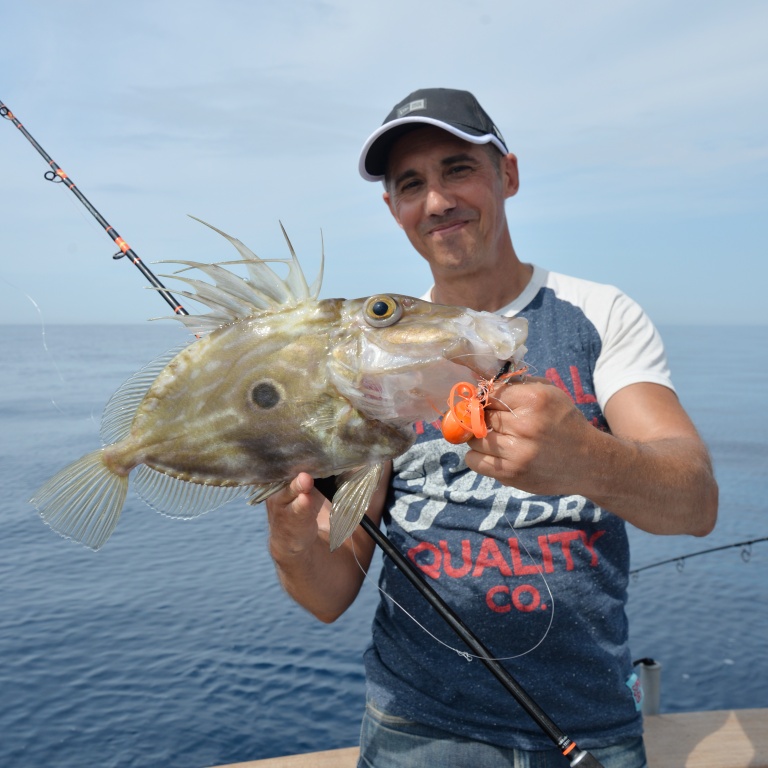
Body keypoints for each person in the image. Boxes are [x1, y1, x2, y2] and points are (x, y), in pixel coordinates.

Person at [266, 88, 718, 768]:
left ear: (506, 174)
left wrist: (586, 459)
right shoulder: (372, 345)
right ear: (394, 210)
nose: (438, 201)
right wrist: (295, 540)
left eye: (457, 169)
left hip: (586, 726)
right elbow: (329, 595)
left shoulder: (598, 313)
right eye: (411, 184)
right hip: (415, 725)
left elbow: (696, 503)